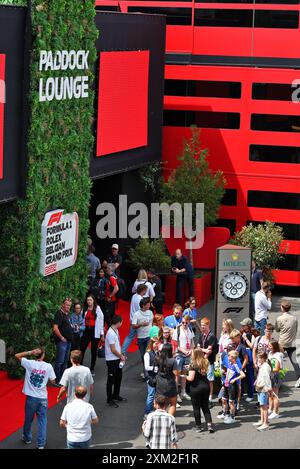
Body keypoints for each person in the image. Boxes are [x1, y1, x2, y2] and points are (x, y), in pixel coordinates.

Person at [15, 347, 56, 449]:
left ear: (35, 354)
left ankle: (27, 438)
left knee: (28, 419)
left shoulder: (29, 363)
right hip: (43, 398)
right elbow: (53, 381)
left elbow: (17, 355)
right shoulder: (48, 366)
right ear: (43, 355)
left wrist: (30, 352)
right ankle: (41, 444)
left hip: (31, 398)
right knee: (42, 420)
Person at [186, 348, 214, 433]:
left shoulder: (193, 365)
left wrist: (183, 376)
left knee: (196, 408)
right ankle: (209, 425)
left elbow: (191, 378)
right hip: (206, 386)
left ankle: (199, 426)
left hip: (196, 388)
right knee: (205, 406)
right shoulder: (205, 362)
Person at [275, 300, 300, 388]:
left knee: (279, 361)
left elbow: (277, 329)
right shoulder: (294, 318)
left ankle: (278, 381)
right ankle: (299, 379)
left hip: (282, 343)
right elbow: (296, 329)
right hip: (292, 343)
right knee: (295, 362)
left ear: (282, 308)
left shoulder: (279, 318)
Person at [105, 315, 127, 408]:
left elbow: (117, 345)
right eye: (121, 322)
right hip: (111, 360)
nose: (122, 324)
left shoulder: (115, 331)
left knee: (118, 377)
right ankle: (110, 399)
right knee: (111, 380)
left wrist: (121, 354)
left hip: (117, 359)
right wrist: (121, 356)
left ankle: (116, 395)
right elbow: (113, 349)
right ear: (118, 323)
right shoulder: (110, 333)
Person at [80, 295, 104, 377]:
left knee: (93, 351)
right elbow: (82, 319)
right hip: (86, 331)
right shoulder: (84, 309)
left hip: (94, 331)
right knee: (82, 348)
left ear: (93, 300)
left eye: (90, 300)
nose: (89, 301)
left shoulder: (98, 309)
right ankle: (80, 365)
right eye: (88, 300)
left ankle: (92, 368)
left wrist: (102, 334)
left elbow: (101, 321)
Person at [173, 315, 195, 402]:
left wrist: (191, 350)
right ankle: (176, 394)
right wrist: (183, 350)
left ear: (189, 322)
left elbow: (192, 341)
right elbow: (175, 344)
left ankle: (183, 392)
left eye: (186, 322)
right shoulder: (177, 330)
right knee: (177, 374)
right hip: (179, 354)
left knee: (184, 373)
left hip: (187, 354)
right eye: (182, 322)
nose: (184, 324)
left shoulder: (189, 329)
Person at [122, 284, 148, 355]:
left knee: (130, 336)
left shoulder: (134, 296)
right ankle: (145, 352)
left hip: (132, 319)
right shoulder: (140, 299)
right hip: (138, 321)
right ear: (142, 290)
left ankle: (123, 351)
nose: (146, 292)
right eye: (145, 290)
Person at [198, 318, 218, 407]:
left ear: (207, 325)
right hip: (201, 361)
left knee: (209, 380)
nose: (202, 326)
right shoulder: (201, 335)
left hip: (209, 361)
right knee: (202, 379)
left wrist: (204, 352)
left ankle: (209, 398)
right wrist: (203, 350)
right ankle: (203, 397)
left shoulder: (212, 336)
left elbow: (209, 351)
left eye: (203, 325)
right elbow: (198, 347)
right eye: (201, 325)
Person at [53, 298, 73, 385]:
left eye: (69, 305)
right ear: (62, 305)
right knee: (59, 361)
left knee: (65, 361)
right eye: (67, 305)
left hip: (68, 341)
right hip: (62, 342)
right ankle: (57, 380)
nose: (68, 306)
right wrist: (61, 337)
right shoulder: (59, 313)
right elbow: (55, 328)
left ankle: (62, 379)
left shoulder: (67, 314)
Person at [222, 350, 245, 425]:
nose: (228, 357)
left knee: (231, 401)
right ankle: (226, 414)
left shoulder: (236, 366)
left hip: (232, 386)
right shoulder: (229, 364)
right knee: (224, 399)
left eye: (229, 356)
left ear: (233, 358)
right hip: (226, 385)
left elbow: (243, 375)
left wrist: (235, 379)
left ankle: (232, 417)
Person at [155, 344, 178, 416]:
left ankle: (160, 420)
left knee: (160, 403)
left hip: (160, 383)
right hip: (170, 383)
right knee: (172, 404)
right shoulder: (173, 360)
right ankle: (169, 421)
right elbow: (176, 373)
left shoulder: (158, 359)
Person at [132, 298, 153, 373]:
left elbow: (152, 323)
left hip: (149, 336)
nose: (149, 305)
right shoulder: (137, 314)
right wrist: (141, 324)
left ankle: (147, 372)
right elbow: (133, 326)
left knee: (148, 354)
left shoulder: (150, 312)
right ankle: (145, 371)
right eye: (148, 304)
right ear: (143, 306)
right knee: (143, 355)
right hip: (140, 337)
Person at [253, 351, 272, 431]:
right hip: (260, 387)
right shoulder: (262, 365)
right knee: (261, 405)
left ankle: (265, 423)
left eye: (259, 358)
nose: (258, 359)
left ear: (263, 358)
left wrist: (269, 388)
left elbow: (267, 378)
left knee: (264, 406)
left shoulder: (265, 366)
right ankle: (262, 420)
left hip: (264, 388)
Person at [230, 329, 249, 409]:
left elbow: (246, 358)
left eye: (233, 338)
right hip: (233, 369)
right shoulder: (233, 346)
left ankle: (237, 403)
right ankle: (234, 402)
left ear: (238, 337)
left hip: (239, 368)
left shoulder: (242, 346)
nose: (232, 340)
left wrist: (242, 368)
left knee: (239, 387)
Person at [240, 318, 257, 402]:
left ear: (248, 326)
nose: (242, 326)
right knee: (241, 373)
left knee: (250, 374)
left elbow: (252, 346)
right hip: (242, 353)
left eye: (244, 325)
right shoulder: (242, 333)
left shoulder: (252, 334)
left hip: (249, 353)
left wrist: (246, 338)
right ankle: (241, 392)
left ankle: (251, 394)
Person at [144, 338, 160, 417]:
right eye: (156, 344)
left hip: (156, 377)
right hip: (150, 377)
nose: (157, 345)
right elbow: (146, 367)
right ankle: (147, 413)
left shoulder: (157, 353)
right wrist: (153, 368)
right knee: (151, 395)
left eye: (158, 343)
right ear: (152, 344)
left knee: (155, 394)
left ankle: (152, 410)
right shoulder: (147, 354)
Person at [268, 340, 283, 420]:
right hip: (270, 375)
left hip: (274, 375)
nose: (268, 347)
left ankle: (276, 412)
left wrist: (268, 369)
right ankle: (270, 409)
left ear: (274, 346)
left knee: (275, 394)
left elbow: (277, 368)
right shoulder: (270, 354)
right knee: (270, 394)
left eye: (270, 346)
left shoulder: (278, 355)